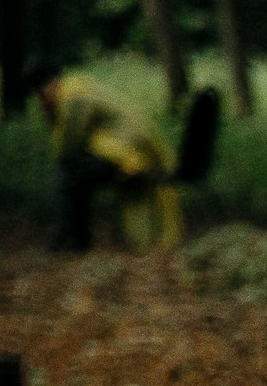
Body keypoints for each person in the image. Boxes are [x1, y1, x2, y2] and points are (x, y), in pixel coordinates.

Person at [35, 69, 181, 253]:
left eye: (41, 94)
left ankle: (69, 239)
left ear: (52, 83)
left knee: (69, 173)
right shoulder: (78, 91)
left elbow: (68, 146)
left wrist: (50, 116)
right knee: (73, 174)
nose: (42, 100)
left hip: (131, 155)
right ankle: (73, 239)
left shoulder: (74, 97)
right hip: (130, 150)